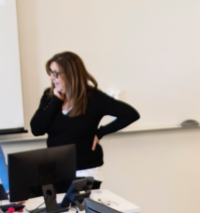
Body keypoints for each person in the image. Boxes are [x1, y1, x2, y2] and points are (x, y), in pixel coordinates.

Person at [29, 51, 140, 179]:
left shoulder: (93, 97)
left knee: (82, 200)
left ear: (70, 74)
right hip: (56, 168)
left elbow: (131, 114)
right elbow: (37, 130)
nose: (51, 78)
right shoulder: (49, 96)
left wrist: (100, 133)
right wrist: (56, 100)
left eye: (55, 73)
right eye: (50, 73)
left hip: (86, 169)